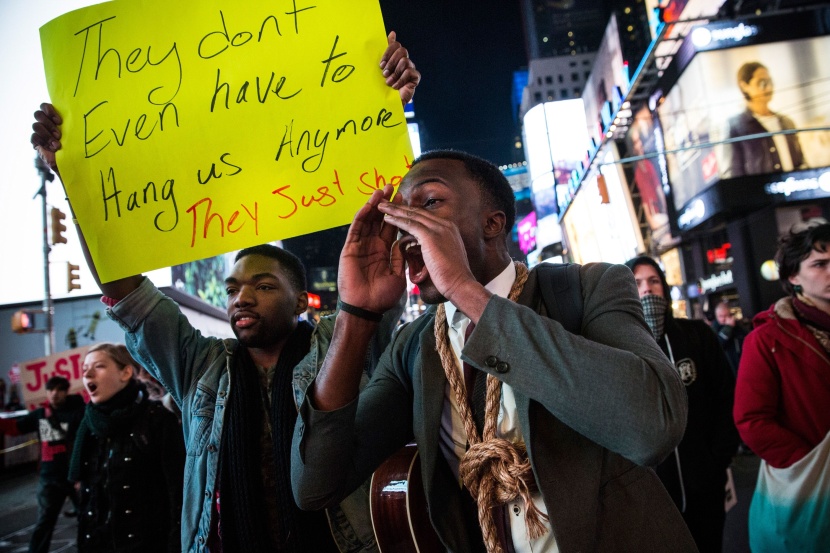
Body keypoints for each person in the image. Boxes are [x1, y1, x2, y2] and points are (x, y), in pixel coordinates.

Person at [31, 33, 419, 552]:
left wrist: (385, 110)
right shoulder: (199, 365)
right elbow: (124, 288)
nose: (242, 299)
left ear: (301, 298)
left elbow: (387, 218)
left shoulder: (344, 344)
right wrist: (72, 177)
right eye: (233, 288)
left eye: (262, 286)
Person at [291, 150, 696, 552]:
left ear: (492, 223)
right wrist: (356, 313)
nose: (406, 228)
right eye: (397, 216)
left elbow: (653, 426)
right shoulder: (414, 348)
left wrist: (464, 290)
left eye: (430, 203)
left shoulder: (590, 288)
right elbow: (315, 484)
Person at [626, 256, 740, 553]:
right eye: (637, 284)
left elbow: (726, 396)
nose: (647, 290)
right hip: (652, 495)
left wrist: (717, 461)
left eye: (653, 281)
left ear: (664, 287)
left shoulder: (697, 336)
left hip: (705, 484)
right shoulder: (621, 347)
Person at [734, 220, 830, 552]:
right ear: (793, 277)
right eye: (819, 264)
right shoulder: (766, 339)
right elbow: (752, 420)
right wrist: (810, 463)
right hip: (812, 488)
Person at [68, 343, 184, 552]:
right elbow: (87, 502)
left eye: (99, 366)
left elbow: (179, 495)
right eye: (85, 369)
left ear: (126, 372)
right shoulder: (87, 426)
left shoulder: (157, 420)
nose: (88, 375)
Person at [0, 376, 85, 553]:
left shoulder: (78, 412)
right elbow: (16, 427)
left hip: (77, 476)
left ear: (66, 391)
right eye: (51, 390)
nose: (54, 394)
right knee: (45, 522)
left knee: (87, 520)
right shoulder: (40, 415)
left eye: (59, 390)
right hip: (50, 477)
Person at [724, 61, 806, 177]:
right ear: (744, 86)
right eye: (761, 83)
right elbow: (734, 172)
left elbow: (801, 162)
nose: (768, 87)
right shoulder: (735, 127)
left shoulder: (787, 122)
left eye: (770, 82)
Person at [711, 301, 747, 378]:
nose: (723, 319)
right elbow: (718, 345)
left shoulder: (738, 328)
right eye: (720, 316)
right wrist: (728, 328)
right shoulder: (713, 330)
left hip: (741, 366)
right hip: (725, 371)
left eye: (725, 316)